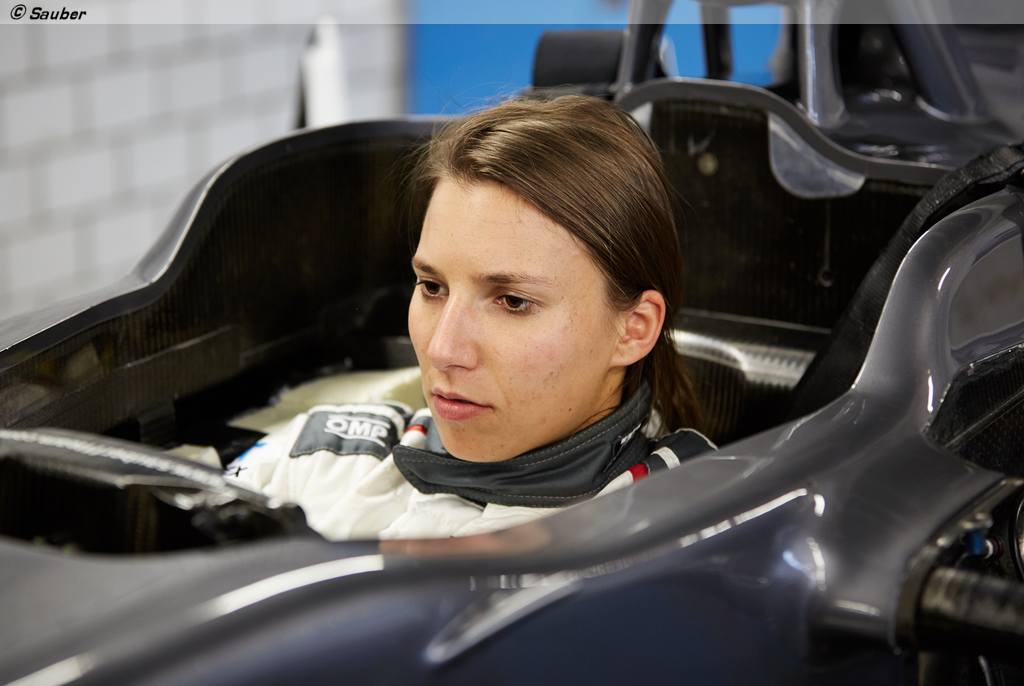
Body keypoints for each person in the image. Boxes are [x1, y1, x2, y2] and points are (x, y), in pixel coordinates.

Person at [228, 95, 714, 540]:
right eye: (432, 287)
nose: (443, 349)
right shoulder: (318, 457)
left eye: (512, 302)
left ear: (634, 329)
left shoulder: (696, 527)